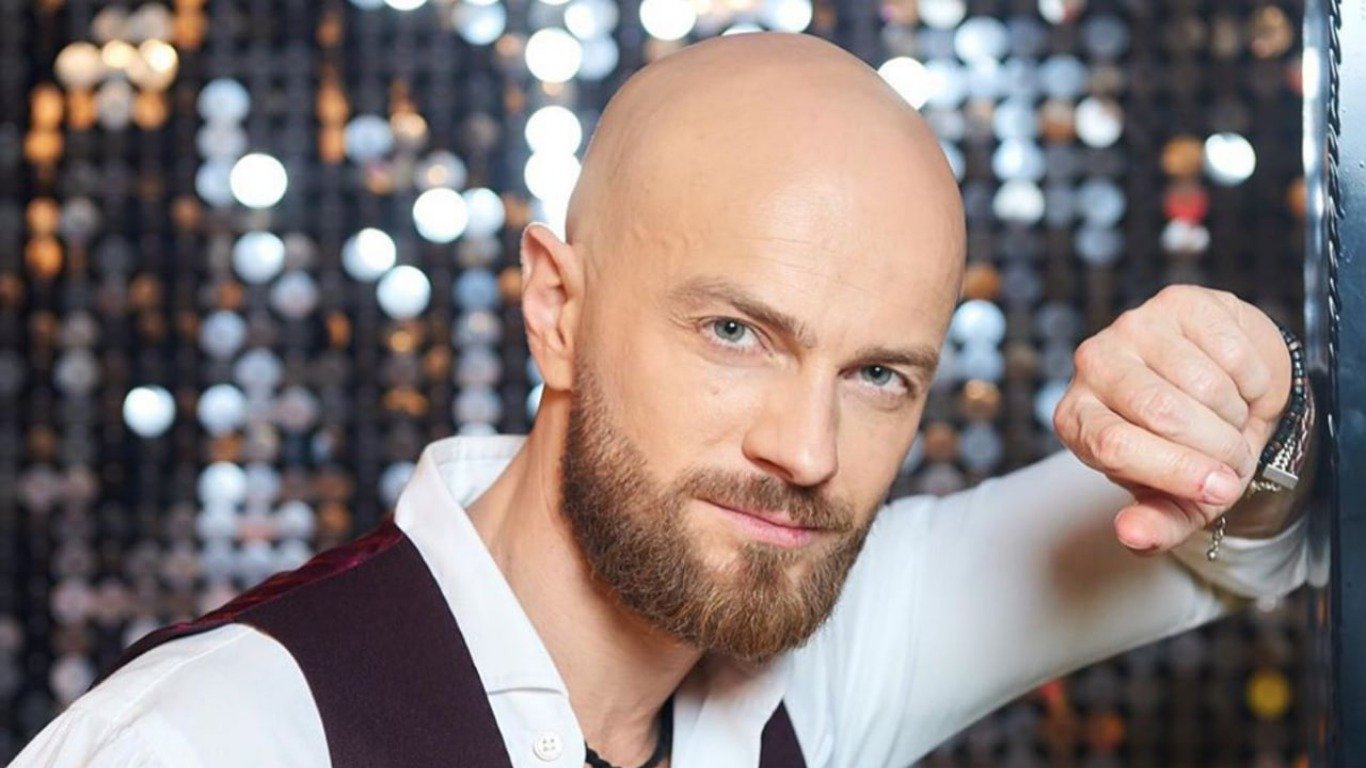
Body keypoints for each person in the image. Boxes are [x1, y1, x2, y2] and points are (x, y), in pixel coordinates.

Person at [12, 31, 1315, 768]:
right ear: (556, 309)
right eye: (735, 332)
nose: (804, 450)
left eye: (877, 374)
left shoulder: (812, 652)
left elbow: (1236, 540)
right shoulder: (212, 740)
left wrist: (1247, 399)